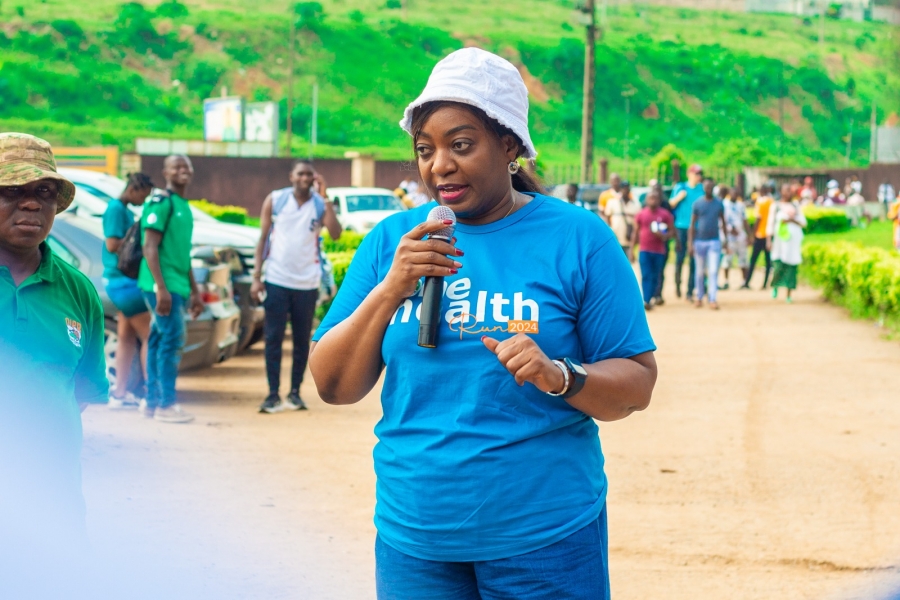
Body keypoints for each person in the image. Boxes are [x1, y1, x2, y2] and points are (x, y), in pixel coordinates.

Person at [309, 48, 657, 600]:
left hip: (546, 542)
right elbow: (333, 386)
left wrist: (561, 375)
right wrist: (388, 290)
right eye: (425, 150)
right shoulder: (392, 243)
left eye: (461, 145)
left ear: (510, 145)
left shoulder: (579, 238)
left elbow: (636, 386)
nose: (438, 165)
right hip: (415, 542)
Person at [0, 133, 108, 590]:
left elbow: (80, 393)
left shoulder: (79, 292)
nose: (30, 205)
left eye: (43, 193)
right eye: (11, 191)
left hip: (53, 503)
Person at [251, 160, 342, 414]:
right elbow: (262, 239)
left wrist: (326, 199)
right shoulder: (276, 200)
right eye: (300, 174)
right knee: (273, 338)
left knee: (303, 340)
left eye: (309, 175)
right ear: (291, 176)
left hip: (307, 283)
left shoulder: (318, 204)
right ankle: (272, 395)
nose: (304, 178)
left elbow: (336, 233)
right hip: (277, 279)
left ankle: (295, 393)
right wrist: (257, 276)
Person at [139, 155, 204, 423]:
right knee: (172, 341)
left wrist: (195, 291)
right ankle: (166, 404)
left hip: (176, 285)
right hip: (161, 286)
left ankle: (152, 402)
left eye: (186, 166)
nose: (183, 171)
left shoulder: (183, 206)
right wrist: (161, 289)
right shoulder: (161, 202)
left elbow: (183, 254)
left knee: (159, 340)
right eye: (176, 166)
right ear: (165, 172)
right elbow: (149, 247)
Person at [103, 172, 154, 409]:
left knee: (126, 337)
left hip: (122, 280)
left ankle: (120, 393)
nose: (144, 200)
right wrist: (135, 239)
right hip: (122, 281)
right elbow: (112, 244)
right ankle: (151, 395)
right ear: (134, 189)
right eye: (143, 195)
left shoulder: (122, 209)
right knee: (150, 336)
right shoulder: (115, 209)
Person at [631, 188, 674, 310]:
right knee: (646, 274)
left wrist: (664, 236)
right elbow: (635, 232)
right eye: (651, 198)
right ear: (646, 200)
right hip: (644, 249)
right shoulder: (641, 214)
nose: (653, 200)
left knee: (656, 275)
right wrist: (631, 250)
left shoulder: (665, 214)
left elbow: (671, 231)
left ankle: (654, 295)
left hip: (659, 250)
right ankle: (646, 299)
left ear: (660, 200)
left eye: (656, 198)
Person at [688, 179, 727, 310]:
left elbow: (723, 222)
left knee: (713, 271)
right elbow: (692, 225)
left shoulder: (719, 204)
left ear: (713, 187)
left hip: (714, 241)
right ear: (703, 188)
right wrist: (690, 243)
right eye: (706, 186)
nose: (708, 189)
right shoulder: (698, 204)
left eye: (711, 186)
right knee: (699, 272)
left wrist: (725, 241)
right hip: (699, 241)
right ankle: (699, 296)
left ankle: (712, 298)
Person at [767, 184, 807, 303]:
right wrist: (769, 240)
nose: (789, 193)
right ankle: (775, 286)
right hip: (779, 243)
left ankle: (789, 294)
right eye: (786, 190)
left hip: (792, 244)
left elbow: (803, 222)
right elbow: (770, 224)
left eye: (790, 190)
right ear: (781, 192)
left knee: (791, 268)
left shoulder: (795, 206)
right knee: (778, 266)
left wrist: (791, 220)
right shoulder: (776, 206)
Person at [670, 164, 704, 300]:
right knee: (679, 258)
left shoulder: (702, 190)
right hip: (681, 227)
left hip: (696, 228)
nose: (698, 177)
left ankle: (690, 290)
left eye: (700, 174)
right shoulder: (680, 187)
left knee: (693, 261)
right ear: (689, 174)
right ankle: (678, 285)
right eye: (696, 174)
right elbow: (671, 204)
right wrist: (679, 197)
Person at [743, 184, 774, 290]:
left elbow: (758, 219)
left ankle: (747, 282)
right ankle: (765, 284)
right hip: (769, 234)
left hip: (760, 234)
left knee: (753, 260)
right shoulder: (771, 201)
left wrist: (752, 234)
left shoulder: (760, 202)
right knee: (768, 260)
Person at [722, 185, 750, 289]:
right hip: (729, 236)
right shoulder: (724, 204)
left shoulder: (740, 205)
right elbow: (722, 220)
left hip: (740, 236)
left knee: (743, 259)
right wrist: (730, 229)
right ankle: (726, 281)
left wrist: (749, 235)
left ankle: (744, 282)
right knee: (727, 259)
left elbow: (745, 220)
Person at [605, 180, 640, 258]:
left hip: (629, 238)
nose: (625, 191)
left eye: (627, 189)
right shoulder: (612, 202)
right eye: (623, 188)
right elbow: (607, 217)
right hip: (616, 238)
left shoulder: (636, 204)